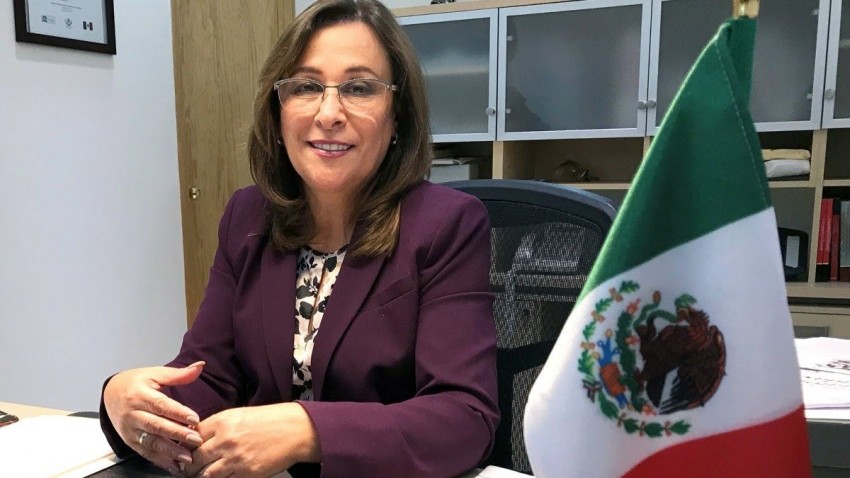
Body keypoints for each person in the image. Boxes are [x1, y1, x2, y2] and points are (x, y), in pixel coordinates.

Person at [98, 0, 499, 476]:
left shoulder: (447, 224)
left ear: (398, 117)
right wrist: (129, 402)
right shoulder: (247, 216)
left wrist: (307, 429)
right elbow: (209, 376)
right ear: (279, 110)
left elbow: (465, 417)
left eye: (359, 88)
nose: (329, 113)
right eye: (307, 86)